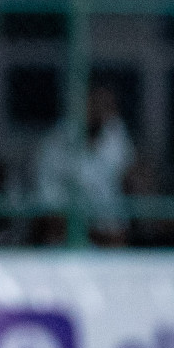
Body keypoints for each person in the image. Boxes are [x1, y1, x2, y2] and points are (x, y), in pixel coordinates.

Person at [33, 81, 135, 245]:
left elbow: (126, 185)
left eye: (108, 106)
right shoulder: (57, 141)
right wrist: (86, 230)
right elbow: (47, 202)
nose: (102, 111)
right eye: (96, 104)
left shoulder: (116, 135)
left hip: (109, 239)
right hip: (65, 239)